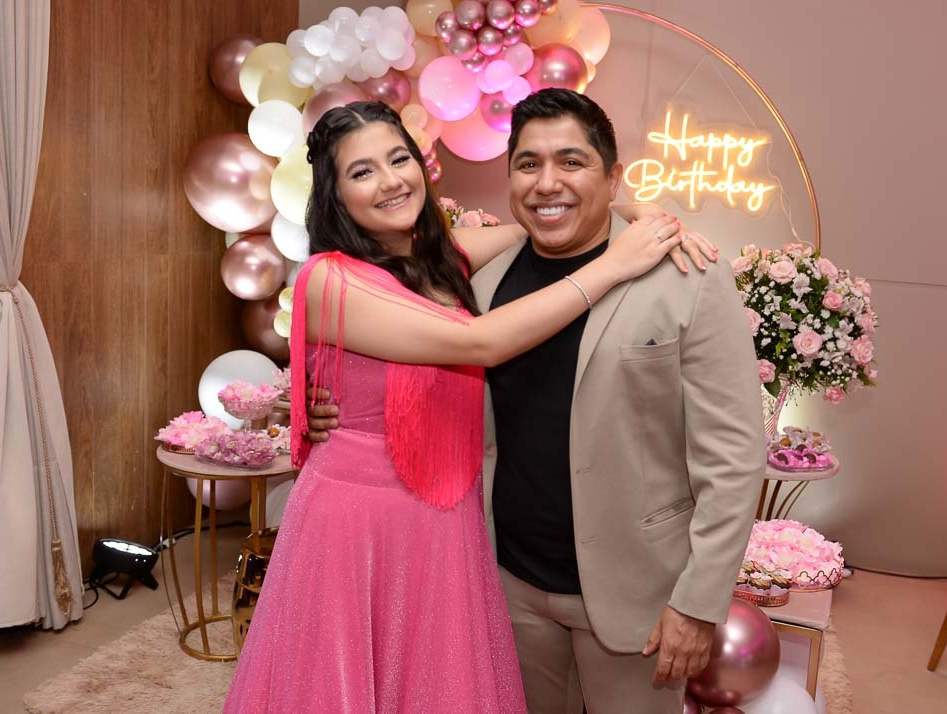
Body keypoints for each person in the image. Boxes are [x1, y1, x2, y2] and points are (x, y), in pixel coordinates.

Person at [223, 100, 698, 714]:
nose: (391, 181)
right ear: (335, 195)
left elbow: (534, 226)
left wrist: (631, 210)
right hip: (359, 523)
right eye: (362, 172)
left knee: (433, 684)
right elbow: (482, 343)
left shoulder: (437, 257)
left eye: (399, 159)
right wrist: (613, 266)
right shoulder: (328, 278)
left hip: (444, 513)